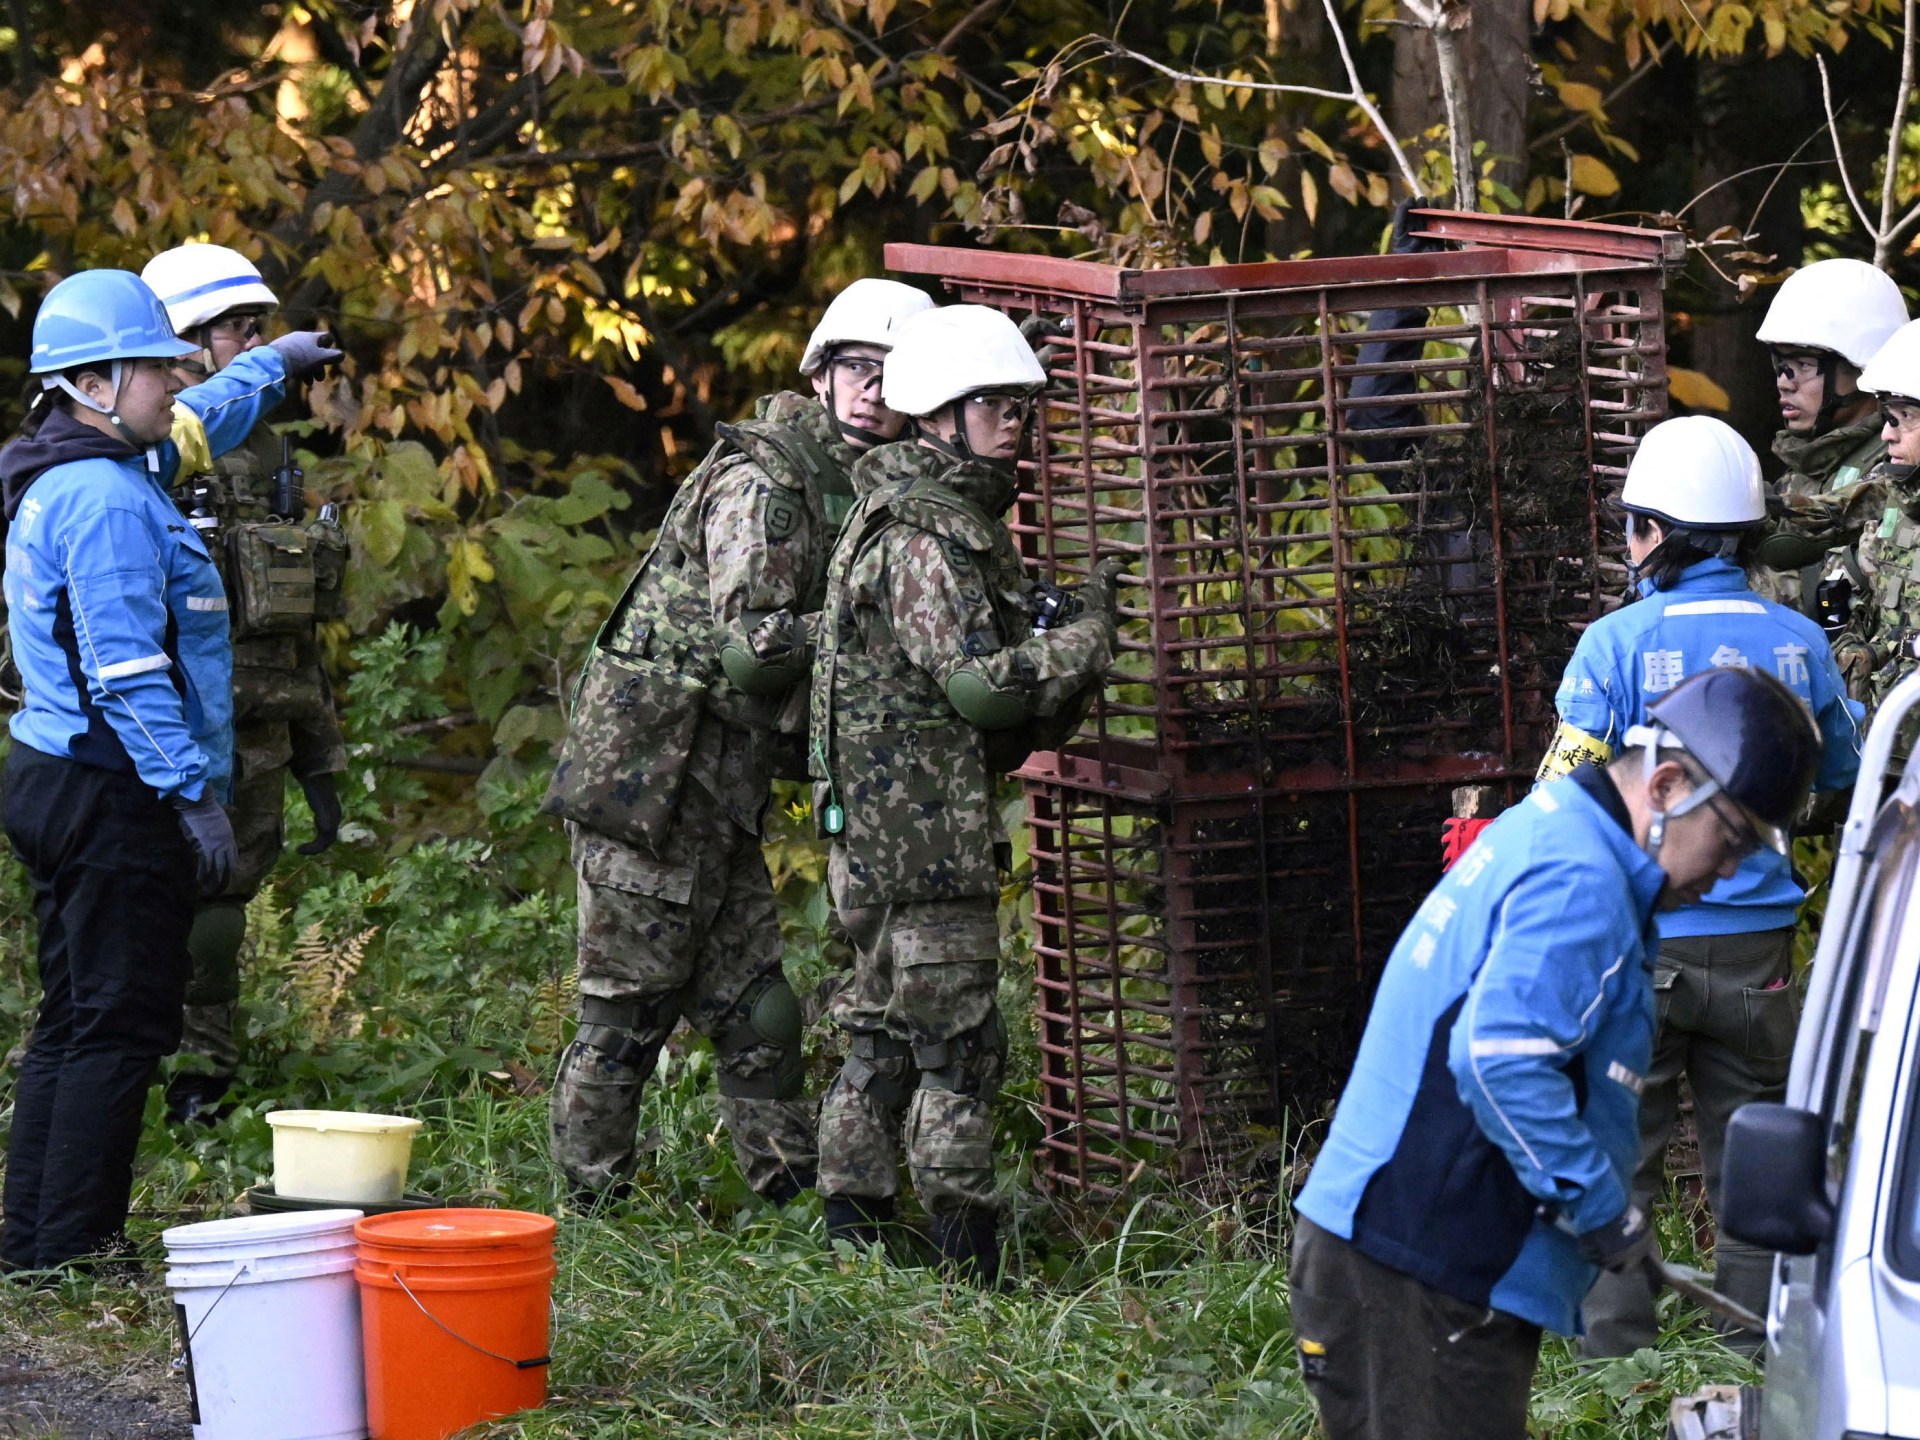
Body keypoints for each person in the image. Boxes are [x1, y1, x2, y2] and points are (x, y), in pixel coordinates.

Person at [1290, 663, 1823, 1440]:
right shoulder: (1582, 880)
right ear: (1668, 786)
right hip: (1419, 1269)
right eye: (1732, 838)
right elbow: (1500, 1061)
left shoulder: (1562, 831)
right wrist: (1600, 1208)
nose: (1731, 871)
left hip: (1408, 1258)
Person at [543, 277, 933, 1207]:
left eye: (895, 375)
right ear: (822, 373)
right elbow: (753, 651)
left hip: (719, 780)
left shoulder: (860, 483)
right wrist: (875, 624)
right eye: (858, 368)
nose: (873, 390)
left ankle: (786, 1198)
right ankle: (590, 1209)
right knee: (627, 1009)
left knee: (759, 1011)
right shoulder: (771, 480)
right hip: (655, 775)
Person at [0, 269, 331, 1272]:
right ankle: (73, 1245)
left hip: (59, 773)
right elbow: (126, 668)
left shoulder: (82, 462)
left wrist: (271, 366)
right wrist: (190, 795)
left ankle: (35, 1240)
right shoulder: (104, 500)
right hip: (112, 789)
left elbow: (202, 416)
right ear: (94, 383)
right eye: (154, 368)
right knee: (122, 1023)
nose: (173, 381)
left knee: (76, 1017)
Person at [1529, 416, 1863, 1354]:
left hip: (1641, 948)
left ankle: (1615, 1358)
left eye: (1633, 525)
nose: (1628, 543)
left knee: (1619, 1151)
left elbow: (1562, 794)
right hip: (1760, 954)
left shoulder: (1614, 644)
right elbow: (1847, 771)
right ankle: (1753, 1348)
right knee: (1755, 1157)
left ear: (1661, 533)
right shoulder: (1801, 641)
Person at [809, 304, 1123, 1283]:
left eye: (1022, 406)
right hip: (920, 838)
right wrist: (1085, 640)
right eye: (994, 405)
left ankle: (856, 1241)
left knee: (881, 1029)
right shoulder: (927, 534)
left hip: (884, 827)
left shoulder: (918, 512)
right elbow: (978, 691)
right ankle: (967, 1269)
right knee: (957, 1049)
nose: (1013, 423)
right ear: (940, 414)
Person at [139, 242, 350, 1123]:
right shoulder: (152, 444)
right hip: (158, 722)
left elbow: (291, 618)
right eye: (237, 328)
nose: (255, 344)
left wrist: (319, 759)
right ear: (184, 337)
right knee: (142, 905)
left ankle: (202, 1078)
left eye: (261, 328)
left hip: (258, 722)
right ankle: (121, 1064)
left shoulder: (264, 453)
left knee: (221, 908)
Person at [1751, 258, 1909, 612]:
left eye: (1804, 365)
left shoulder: (1900, 458)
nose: (1784, 382)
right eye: (1781, 365)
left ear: (1861, 368)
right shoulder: (1811, 462)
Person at [1835, 318, 1920, 715]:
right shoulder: (1895, 512)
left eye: (1906, 416)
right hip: (1888, 740)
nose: (1887, 434)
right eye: (1889, 416)